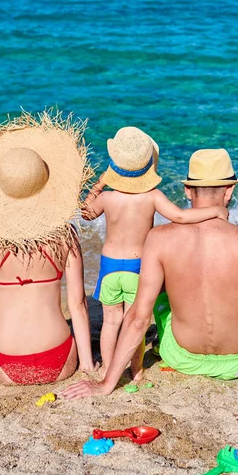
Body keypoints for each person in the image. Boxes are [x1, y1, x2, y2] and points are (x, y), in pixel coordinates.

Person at [63, 148, 238, 399]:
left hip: (180, 357)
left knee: (158, 295)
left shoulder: (159, 238)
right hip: (237, 364)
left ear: (188, 190)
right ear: (229, 190)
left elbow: (138, 318)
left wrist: (105, 384)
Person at [0, 110, 96, 385]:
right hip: (60, 360)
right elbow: (78, 303)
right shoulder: (64, 235)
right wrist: (86, 364)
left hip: (5, 366)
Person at [82, 128, 228, 380]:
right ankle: (136, 371)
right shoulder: (152, 196)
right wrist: (214, 211)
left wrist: (101, 182)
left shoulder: (107, 198)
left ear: (114, 166)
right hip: (137, 267)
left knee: (111, 322)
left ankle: (108, 368)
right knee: (134, 321)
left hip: (109, 268)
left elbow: (85, 212)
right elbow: (181, 217)